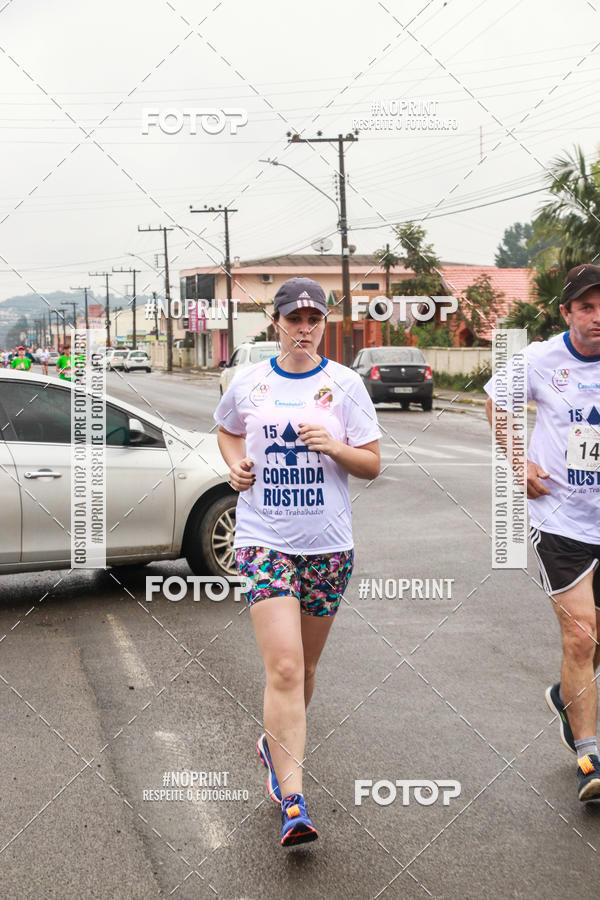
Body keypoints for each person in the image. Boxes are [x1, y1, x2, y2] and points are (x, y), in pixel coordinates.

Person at [214, 277, 381, 846]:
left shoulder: (346, 384)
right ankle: (292, 798)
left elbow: (373, 464)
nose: (305, 328)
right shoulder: (250, 382)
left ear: (324, 322)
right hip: (264, 540)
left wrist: (334, 447)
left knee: (305, 671)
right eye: (295, 318)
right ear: (277, 323)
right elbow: (227, 430)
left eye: (314, 319)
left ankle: (273, 744)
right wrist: (236, 467)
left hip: (328, 547)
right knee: (283, 668)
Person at [485, 262, 600, 802]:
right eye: (586, 307)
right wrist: (517, 463)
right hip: (562, 519)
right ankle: (591, 755)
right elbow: (497, 404)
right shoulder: (538, 359)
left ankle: (567, 697)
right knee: (582, 635)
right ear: (567, 313)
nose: (597, 317)